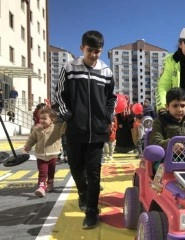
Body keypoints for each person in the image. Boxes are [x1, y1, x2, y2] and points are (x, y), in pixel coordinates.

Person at [55, 30, 117, 229]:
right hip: (75, 129)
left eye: (98, 51)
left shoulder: (106, 72)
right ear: (82, 48)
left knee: (94, 172)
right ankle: (83, 192)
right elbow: (60, 94)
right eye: (90, 50)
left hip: (98, 131)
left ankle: (91, 210)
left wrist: (107, 117)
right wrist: (68, 115)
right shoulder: (69, 68)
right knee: (75, 168)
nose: (94, 55)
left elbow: (112, 99)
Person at [23, 107, 66, 197]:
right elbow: (32, 138)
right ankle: (41, 187)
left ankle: (50, 184)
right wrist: (28, 146)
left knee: (51, 171)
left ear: (52, 119)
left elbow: (64, 129)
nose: (42, 120)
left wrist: (65, 121)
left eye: (45, 118)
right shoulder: (37, 129)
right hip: (41, 155)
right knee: (42, 172)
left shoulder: (56, 128)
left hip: (53, 155)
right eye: (41, 118)